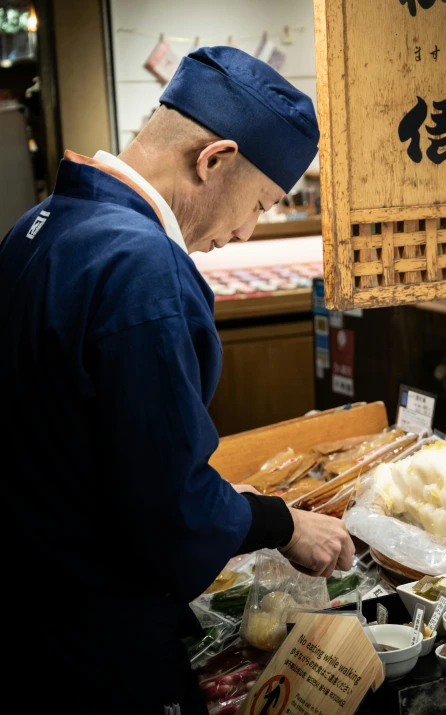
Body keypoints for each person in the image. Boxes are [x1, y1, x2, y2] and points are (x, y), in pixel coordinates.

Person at [1, 47, 354, 714]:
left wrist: (221, 497)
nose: (246, 231)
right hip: (95, 640)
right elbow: (168, 507)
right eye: (257, 202)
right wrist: (280, 522)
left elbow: (88, 445)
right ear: (214, 159)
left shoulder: (40, 226)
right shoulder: (142, 265)